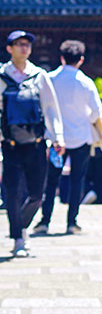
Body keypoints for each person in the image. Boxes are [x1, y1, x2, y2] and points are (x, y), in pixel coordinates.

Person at [0, 30, 64, 257]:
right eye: (18, 44)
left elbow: (51, 109)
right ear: (9, 48)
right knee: (13, 191)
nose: (24, 48)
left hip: (37, 143)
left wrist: (58, 137)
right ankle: (18, 238)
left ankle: (21, 226)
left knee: (38, 194)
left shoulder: (39, 76)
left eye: (27, 44)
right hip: (10, 145)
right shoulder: (1, 75)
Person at [35, 40, 102, 235]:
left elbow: (42, 107)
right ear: (81, 59)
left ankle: (44, 221)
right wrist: (84, 118)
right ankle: (72, 222)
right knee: (77, 180)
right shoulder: (86, 82)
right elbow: (96, 111)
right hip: (81, 137)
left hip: (56, 139)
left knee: (51, 181)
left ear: (62, 57)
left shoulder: (49, 79)